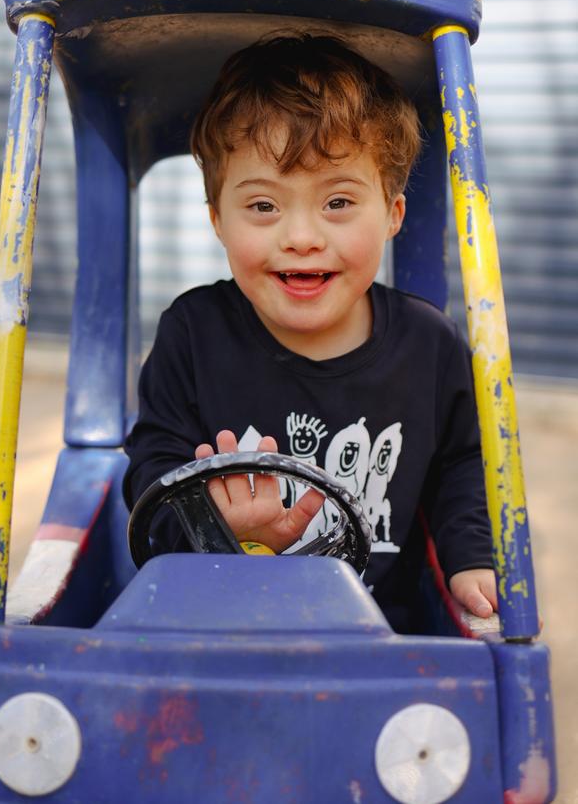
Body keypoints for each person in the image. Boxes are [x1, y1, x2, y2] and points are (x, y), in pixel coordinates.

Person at [123, 33, 497, 632]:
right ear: (218, 219)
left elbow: (465, 462)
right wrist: (218, 525)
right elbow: (151, 474)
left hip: (372, 642)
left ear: (392, 214)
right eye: (264, 207)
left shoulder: (430, 345)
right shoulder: (192, 334)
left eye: (339, 202)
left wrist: (471, 557)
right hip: (209, 631)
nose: (301, 236)